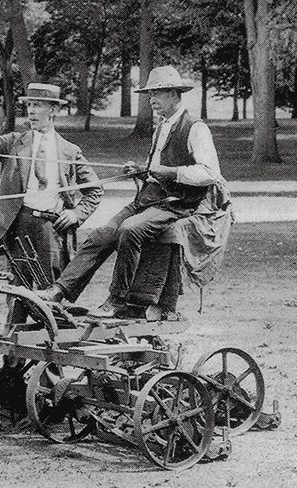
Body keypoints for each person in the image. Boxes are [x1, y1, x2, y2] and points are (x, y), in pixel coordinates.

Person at [42, 66, 223, 318]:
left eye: (157, 94)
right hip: (149, 199)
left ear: (173, 94)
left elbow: (209, 173)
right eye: (150, 96)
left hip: (177, 204)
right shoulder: (161, 127)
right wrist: (142, 170)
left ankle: (117, 299)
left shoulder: (195, 128)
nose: (152, 101)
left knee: (130, 229)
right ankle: (60, 290)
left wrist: (168, 173)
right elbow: (157, 168)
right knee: (102, 235)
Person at [0, 83, 104, 297]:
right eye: (29, 105)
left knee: (50, 291)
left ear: (53, 110)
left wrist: (76, 214)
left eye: (38, 105)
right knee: (17, 289)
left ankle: (48, 329)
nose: (31, 111)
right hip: (19, 224)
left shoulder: (70, 151)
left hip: (51, 228)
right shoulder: (14, 143)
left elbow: (95, 190)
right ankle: (13, 328)